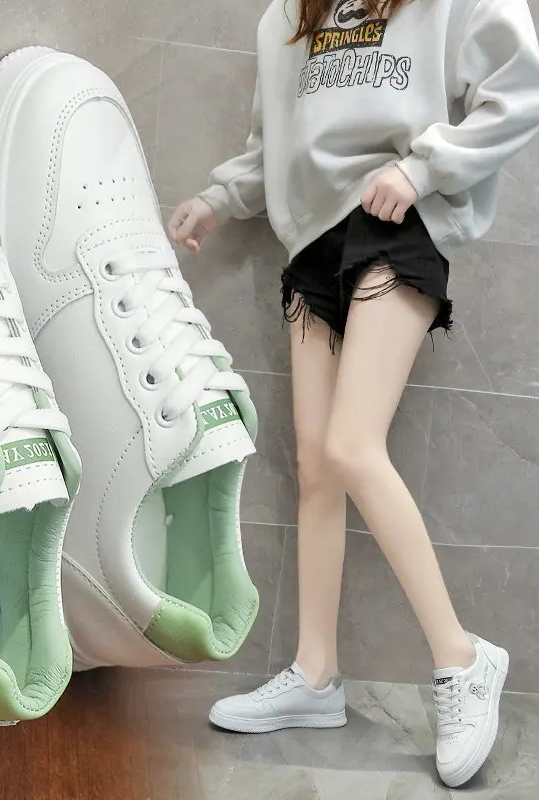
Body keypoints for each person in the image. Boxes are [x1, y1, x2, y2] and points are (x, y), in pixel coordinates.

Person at [167, 0, 539, 788]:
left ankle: (463, 657)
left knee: (351, 446)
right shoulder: (288, 17)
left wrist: (422, 168)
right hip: (313, 241)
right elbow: (274, 146)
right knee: (317, 467)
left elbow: (521, 87)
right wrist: (219, 198)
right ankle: (315, 674)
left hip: (399, 223)